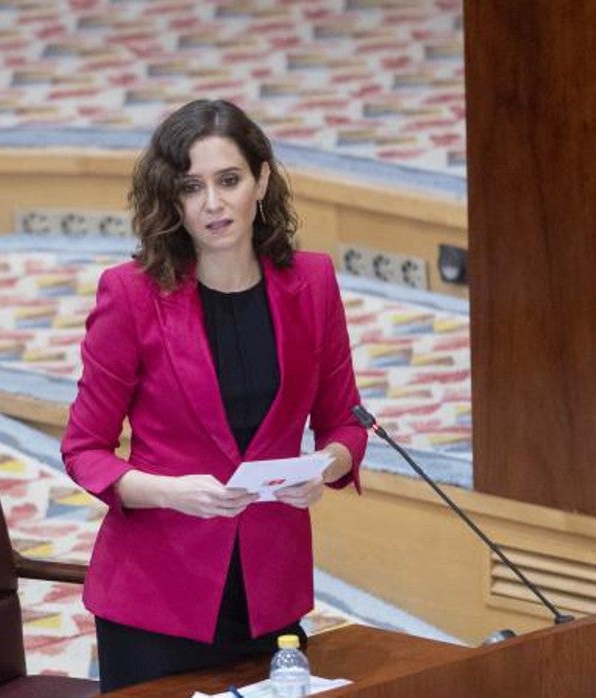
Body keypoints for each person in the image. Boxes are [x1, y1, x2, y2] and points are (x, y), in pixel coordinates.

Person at [61, 99, 367, 691]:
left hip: (268, 595)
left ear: (262, 181)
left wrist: (326, 465)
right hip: (156, 599)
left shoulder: (313, 282)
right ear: (172, 200)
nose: (213, 203)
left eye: (229, 181)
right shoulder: (131, 296)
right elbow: (84, 450)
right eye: (191, 187)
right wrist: (170, 492)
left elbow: (345, 421)